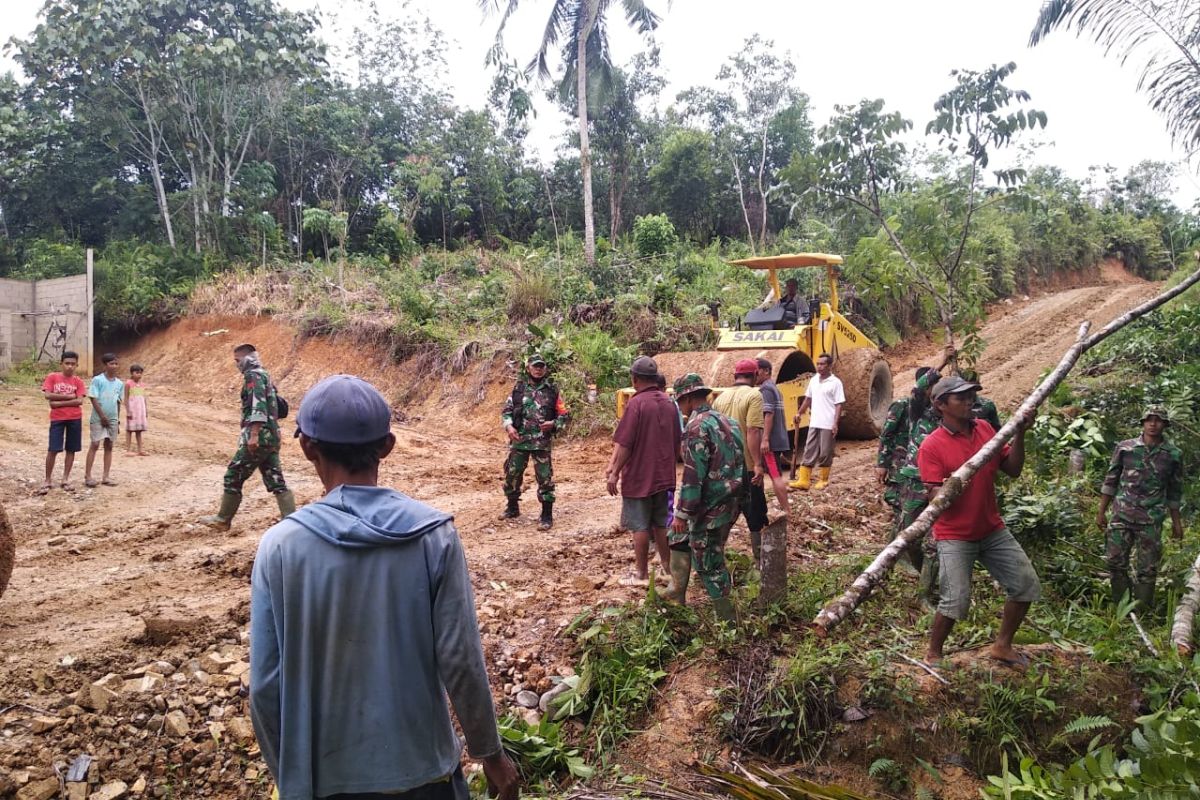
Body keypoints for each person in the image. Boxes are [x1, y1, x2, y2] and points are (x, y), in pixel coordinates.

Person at [249, 375, 519, 800]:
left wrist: (292, 779)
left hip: (326, 779)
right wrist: (491, 755)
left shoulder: (281, 547)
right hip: (424, 773)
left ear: (306, 448)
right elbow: (461, 660)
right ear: (388, 446)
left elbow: (265, 686)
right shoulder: (435, 537)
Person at [918, 375, 1039, 668]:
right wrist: (950, 486)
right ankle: (934, 652)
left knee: (1025, 585)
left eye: (971, 395)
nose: (970, 401)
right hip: (955, 534)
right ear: (940, 404)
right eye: (961, 397)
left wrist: (1020, 433)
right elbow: (934, 495)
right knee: (955, 600)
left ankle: (1002, 645)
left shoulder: (985, 428)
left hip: (991, 528)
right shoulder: (931, 446)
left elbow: (1012, 469)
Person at [664, 373, 744, 626]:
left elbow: (692, 475)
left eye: (679, 402)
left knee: (709, 563)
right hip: (731, 501)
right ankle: (675, 597)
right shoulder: (728, 422)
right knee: (678, 538)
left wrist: (682, 513)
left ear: (686, 400)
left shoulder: (696, 427)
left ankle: (728, 623)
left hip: (710, 506)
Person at [199, 344, 295, 530]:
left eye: (237, 361)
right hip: (272, 436)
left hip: (260, 437)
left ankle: (223, 520)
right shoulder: (265, 374)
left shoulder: (253, 376)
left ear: (247, 359)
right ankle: (291, 521)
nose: (237, 365)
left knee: (233, 475)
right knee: (276, 479)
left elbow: (257, 405)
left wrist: (254, 435)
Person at [1098, 406, 1184, 612]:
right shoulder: (1126, 448)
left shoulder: (1173, 454)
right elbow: (1111, 480)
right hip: (1122, 515)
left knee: (1148, 568)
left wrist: (1177, 523)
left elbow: (1175, 490)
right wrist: (1101, 511)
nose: (1153, 424)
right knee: (1115, 563)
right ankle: (1122, 609)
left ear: (1165, 424)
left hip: (1151, 519)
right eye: (1149, 419)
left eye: (1158, 420)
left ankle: (1142, 612)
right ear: (1143, 422)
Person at [607, 356, 681, 586]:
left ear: (635, 378)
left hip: (640, 476)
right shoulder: (670, 404)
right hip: (664, 474)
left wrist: (614, 472)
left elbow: (626, 444)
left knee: (639, 525)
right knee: (661, 523)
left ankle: (641, 573)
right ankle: (667, 568)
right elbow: (677, 440)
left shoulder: (637, 404)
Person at [500, 353, 569, 530]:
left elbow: (564, 415)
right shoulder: (518, 390)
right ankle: (512, 507)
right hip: (519, 441)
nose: (538, 370)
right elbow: (506, 412)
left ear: (545, 369)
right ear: (528, 368)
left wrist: (554, 424)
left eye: (541, 366)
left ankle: (546, 515)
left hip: (541, 444)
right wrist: (509, 427)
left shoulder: (552, 391)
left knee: (545, 479)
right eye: (535, 366)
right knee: (512, 475)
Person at [712, 358, 767, 565]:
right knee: (756, 513)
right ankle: (760, 561)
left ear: (735, 376)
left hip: (725, 467)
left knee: (725, 512)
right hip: (746, 467)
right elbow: (753, 430)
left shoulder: (720, 398)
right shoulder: (754, 395)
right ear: (754, 376)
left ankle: (716, 558)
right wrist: (758, 464)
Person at [875, 367, 932, 535]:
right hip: (899, 464)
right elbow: (886, 434)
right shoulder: (902, 405)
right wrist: (881, 463)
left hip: (919, 466)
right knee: (900, 505)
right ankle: (898, 546)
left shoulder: (934, 410)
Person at [790, 353, 844, 491]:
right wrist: (799, 413)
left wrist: (835, 423)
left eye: (822, 364)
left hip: (827, 422)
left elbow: (838, 404)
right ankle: (804, 480)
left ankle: (823, 479)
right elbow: (808, 399)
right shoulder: (814, 380)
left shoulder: (835, 383)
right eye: (818, 364)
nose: (819, 366)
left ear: (829, 366)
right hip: (814, 422)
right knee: (809, 450)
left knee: (825, 452)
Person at [40, 350, 86, 494]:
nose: (70, 367)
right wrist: (70, 397)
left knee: (71, 449)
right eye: (67, 363)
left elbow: (80, 400)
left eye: (73, 364)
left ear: (77, 365)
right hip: (57, 419)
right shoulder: (52, 377)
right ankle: (47, 480)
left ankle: (65, 479)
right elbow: (48, 395)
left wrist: (58, 402)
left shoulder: (78, 381)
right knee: (53, 448)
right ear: (61, 364)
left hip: (75, 418)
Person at [755, 358, 790, 515]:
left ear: (766, 371)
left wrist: (765, 439)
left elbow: (768, 414)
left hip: (770, 442)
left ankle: (787, 511)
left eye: (757, 370)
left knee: (775, 476)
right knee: (769, 474)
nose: (754, 374)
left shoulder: (766, 390)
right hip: (776, 439)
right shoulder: (774, 388)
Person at [84, 352, 124, 488]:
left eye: (116, 363)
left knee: (109, 445)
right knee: (94, 444)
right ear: (105, 365)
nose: (114, 366)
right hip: (98, 418)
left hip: (112, 419)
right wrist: (102, 416)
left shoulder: (119, 383)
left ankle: (106, 477)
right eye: (111, 363)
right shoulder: (98, 380)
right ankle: (88, 476)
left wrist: (117, 420)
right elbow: (93, 398)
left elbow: (118, 402)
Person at [124, 364, 149, 455]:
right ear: (131, 373)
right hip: (132, 410)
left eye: (140, 373)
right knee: (129, 430)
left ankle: (140, 450)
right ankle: (128, 450)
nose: (139, 374)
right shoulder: (128, 384)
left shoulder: (142, 385)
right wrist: (128, 411)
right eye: (136, 372)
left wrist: (146, 410)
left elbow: (143, 398)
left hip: (140, 411)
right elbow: (126, 398)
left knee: (139, 430)